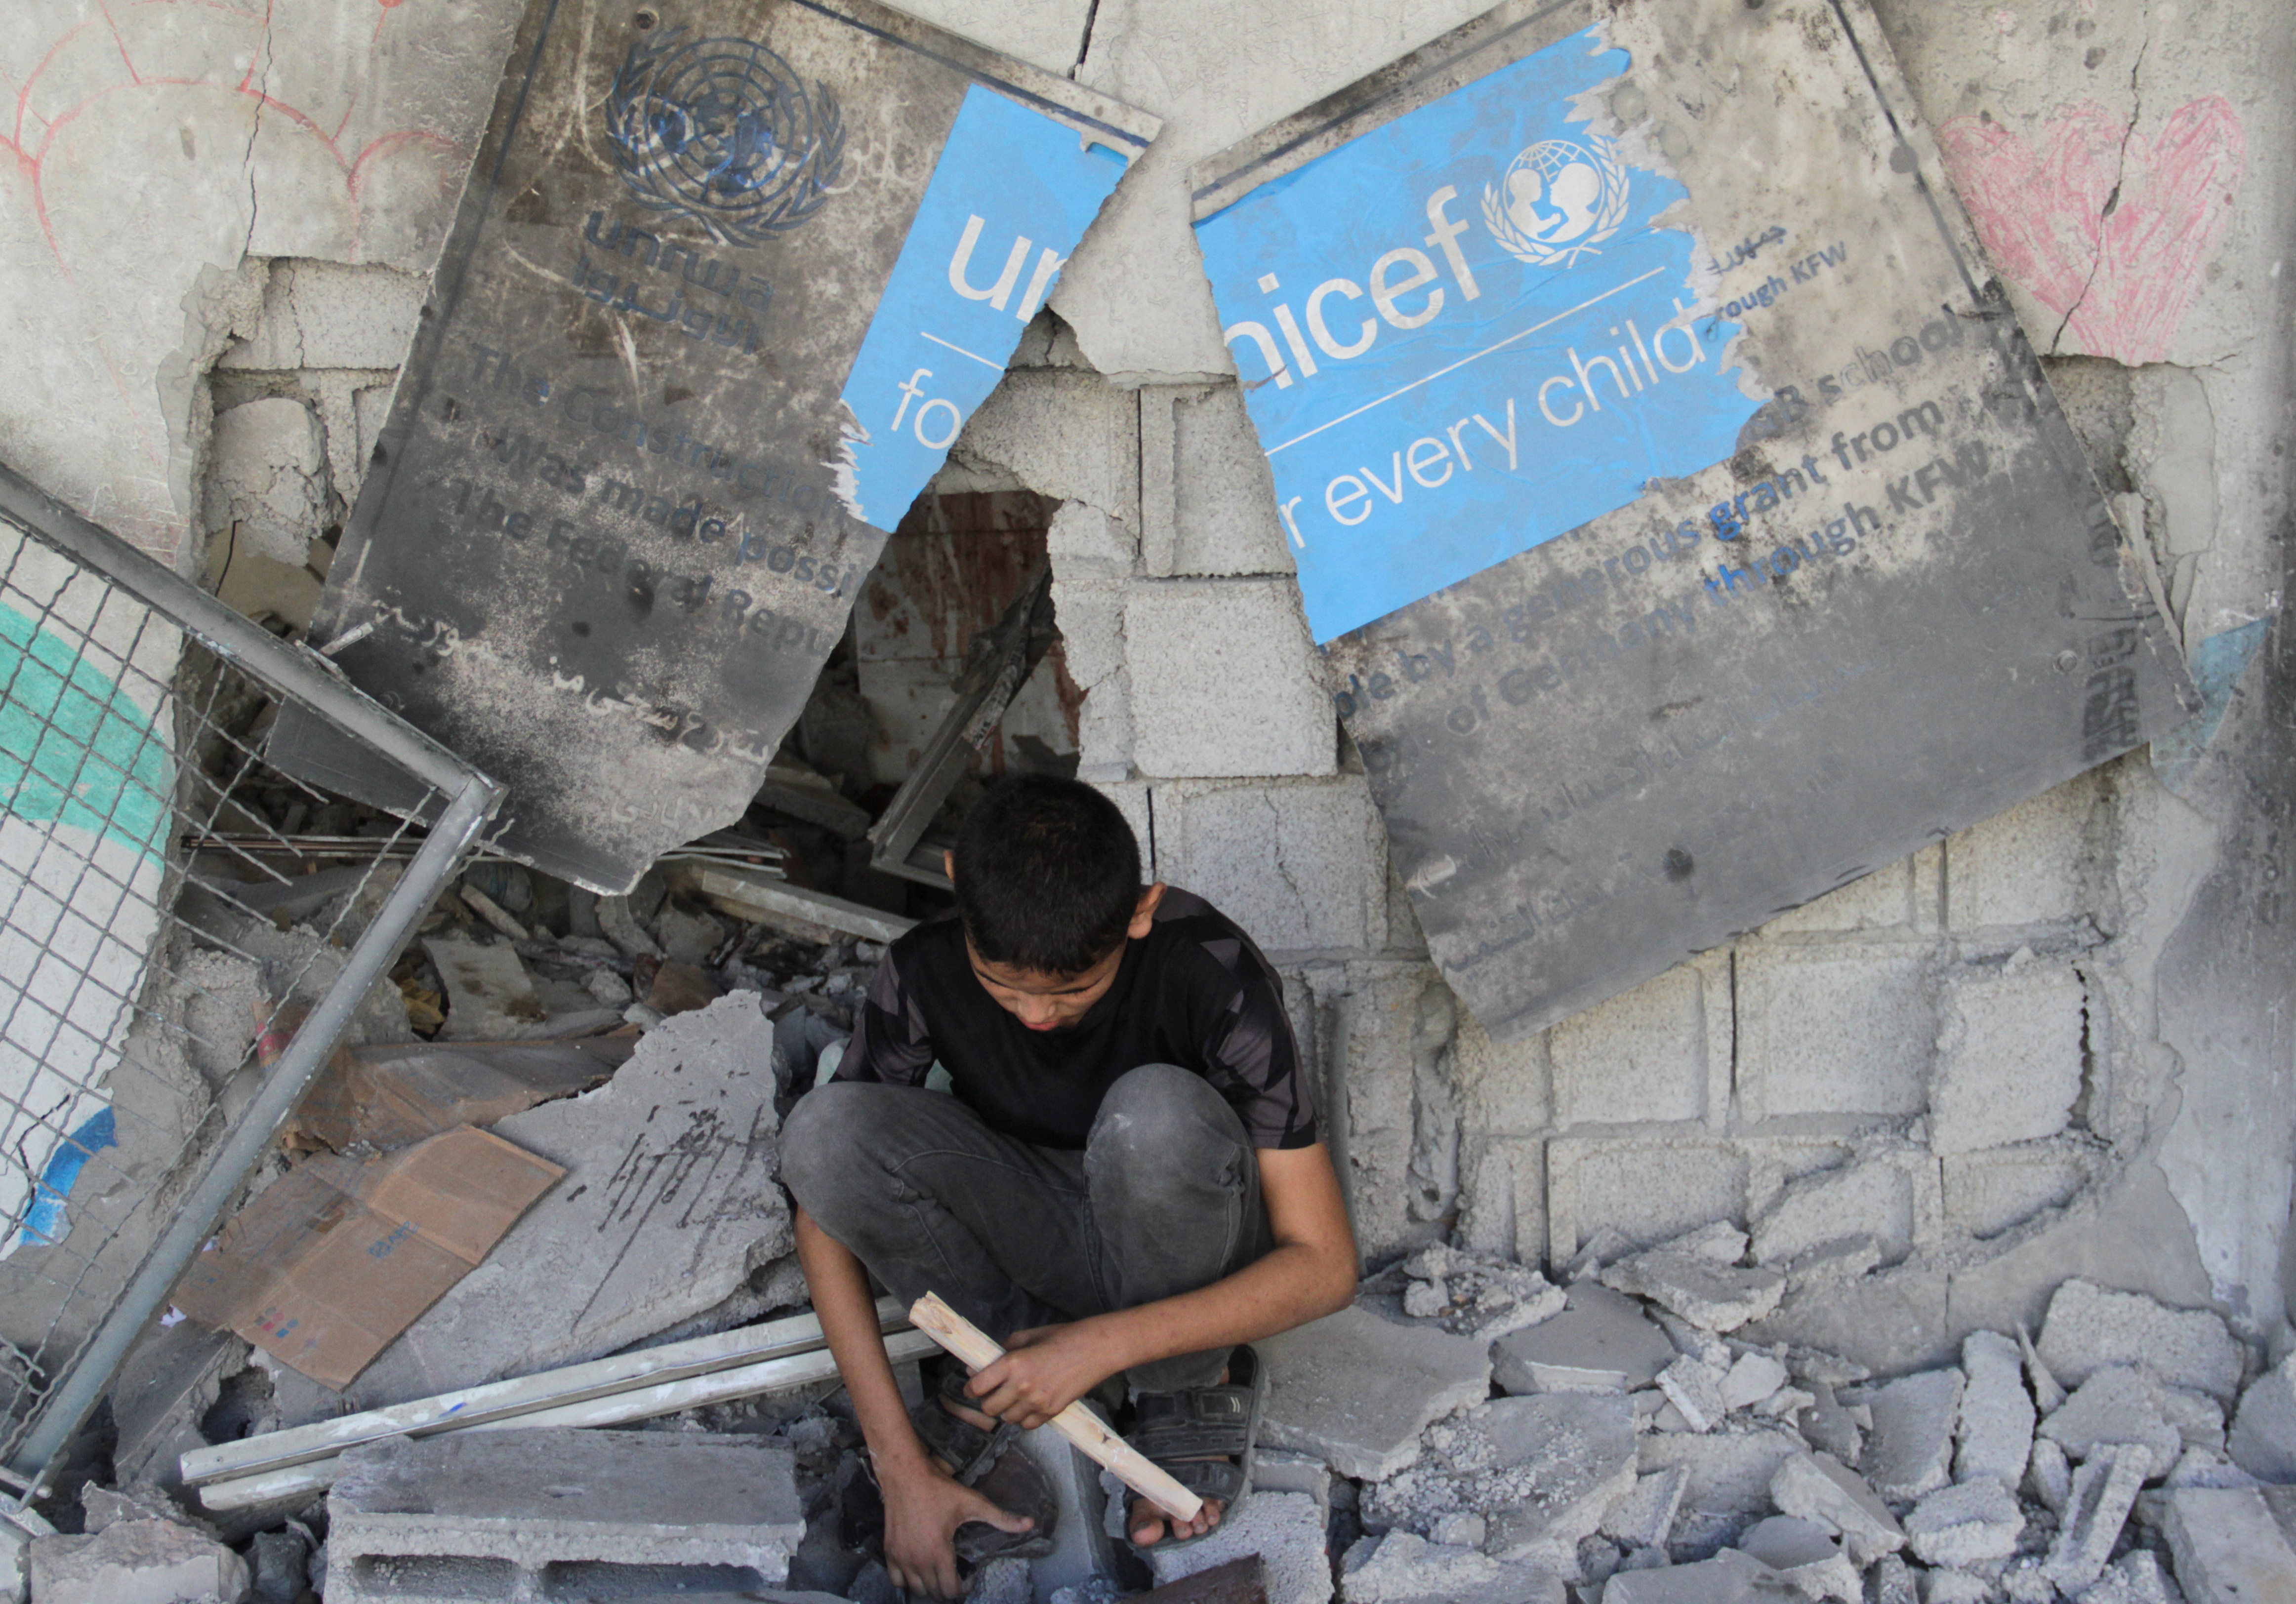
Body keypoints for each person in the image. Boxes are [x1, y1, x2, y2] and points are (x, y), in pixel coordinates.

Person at [780, 773, 1358, 1600]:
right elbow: (825, 1210)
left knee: (1151, 1116)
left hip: (1181, 1238)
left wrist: (1108, 1345)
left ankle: (1183, 1383)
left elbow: (1327, 1265)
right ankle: (1015, 1366)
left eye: (1072, 991)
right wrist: (898, 1465)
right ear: (954, 882)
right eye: (1004, 986)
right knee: (823, 1130)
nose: (1034, 1016)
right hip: (1041, 1231)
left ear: (1141, 911)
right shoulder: (924, 970)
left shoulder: (1209, 968)